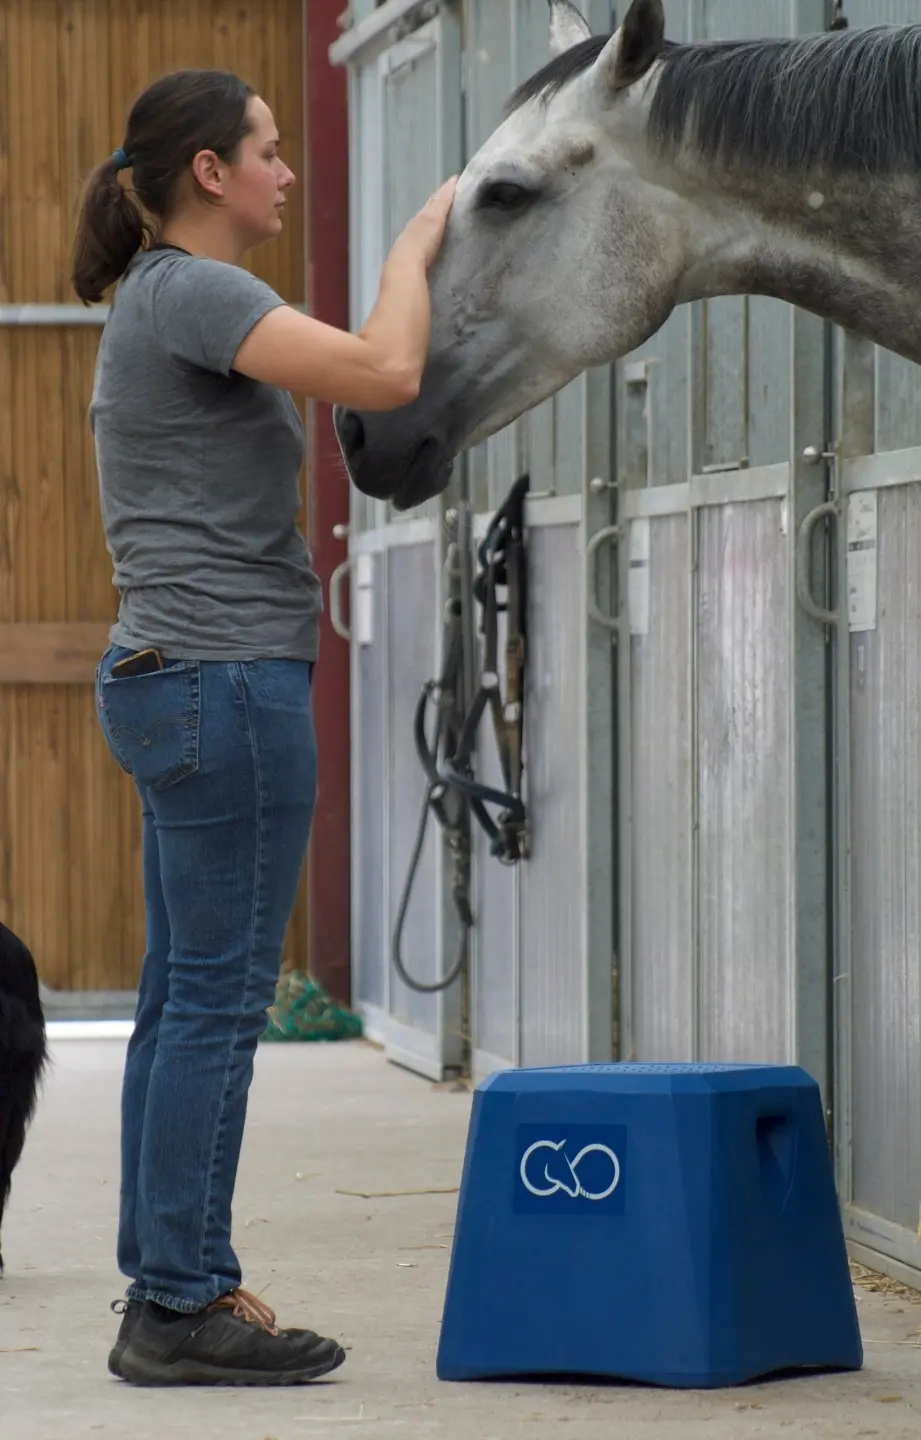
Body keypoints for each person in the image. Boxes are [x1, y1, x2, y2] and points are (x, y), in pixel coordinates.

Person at [70, 67, 455, 1388]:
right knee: (218, 1003)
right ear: (210, 172)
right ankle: (180, 1301)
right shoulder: (195, 290)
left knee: (181, 998)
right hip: (222, 685)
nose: (287, 174)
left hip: (183, 678)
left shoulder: (164, 295)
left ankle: (166, 1283)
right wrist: (417, 244)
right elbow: (387, 370)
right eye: (270, 152)